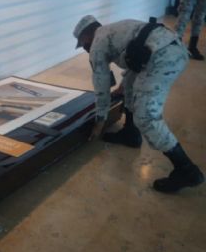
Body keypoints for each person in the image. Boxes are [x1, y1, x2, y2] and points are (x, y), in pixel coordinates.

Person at [73, 15, 204, 193]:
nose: (85, 49)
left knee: (147, 117)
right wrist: (123, 84)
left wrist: (101, 119)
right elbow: (136, 52)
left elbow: (101, 85)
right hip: (173, 49)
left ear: (86, 35)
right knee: (128, 86)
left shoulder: (97, 43)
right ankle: (130, 133)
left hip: (162, 59)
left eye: (83, 44)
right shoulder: (117, 26)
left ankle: (186, 170)